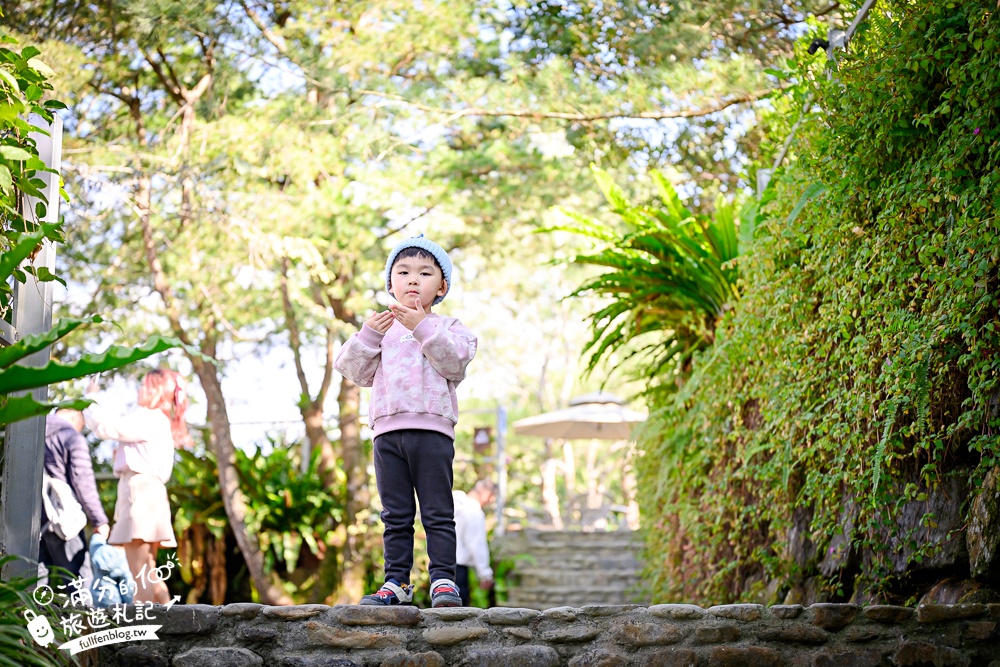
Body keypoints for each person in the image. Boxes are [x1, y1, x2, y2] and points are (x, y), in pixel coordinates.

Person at [335, 234, 477, 608]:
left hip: (432, 432)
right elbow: (353, 371)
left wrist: (421, 327)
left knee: (437, 512)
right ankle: (396, 583)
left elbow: (454, 363)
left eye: (425, 273)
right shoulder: (381, 330)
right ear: (391, 283)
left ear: (441, 286)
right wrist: (368, 334)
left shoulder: (450, 328)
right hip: (387, 434)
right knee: (395, 515)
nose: (413, 279)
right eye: (404, 271)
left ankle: (444, 580)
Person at [84, 369, 191, 604]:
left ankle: (143, 632)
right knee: (148, 569)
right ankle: (175, 627)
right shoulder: (160, 420)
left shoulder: (148, 417)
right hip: (151, 493)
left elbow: (105, 427)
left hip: (139, 492)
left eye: (144, 385)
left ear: (155, 390)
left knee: (139, 573)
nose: (139, 390)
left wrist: (91, 397)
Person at [39, 409, 111, 588]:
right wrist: (99, 521)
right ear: (73, 417)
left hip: (30, 519)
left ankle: (29, 616)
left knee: (34, 583)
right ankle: (83, 618)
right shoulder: (70, 436)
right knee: (79, 583)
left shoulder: (29, 431)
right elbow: (83, 481)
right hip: (61, 518)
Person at [453, 479, 496, 606]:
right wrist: (485, 574)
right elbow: (476, 544)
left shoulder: (453, 504)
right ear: (485, 493)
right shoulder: (473, 511)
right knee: (458, 610)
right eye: (492, 496)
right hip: (458, 568)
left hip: (439, 565)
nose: (491, 501)